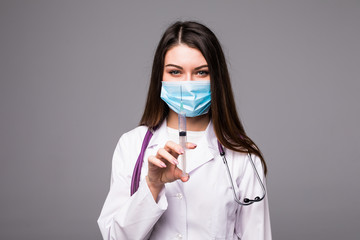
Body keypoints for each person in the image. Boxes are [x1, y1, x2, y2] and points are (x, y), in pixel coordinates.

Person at [98, 21, 272, 239]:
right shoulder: (132, 145)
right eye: (175, 72)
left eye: (201, 73)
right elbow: (115, 237)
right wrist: (152, 186)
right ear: (160, 77)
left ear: (216, 79)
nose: (188, 84)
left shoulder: (241, 152)